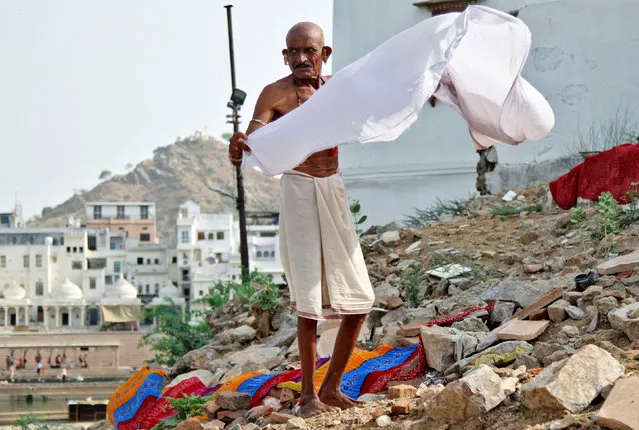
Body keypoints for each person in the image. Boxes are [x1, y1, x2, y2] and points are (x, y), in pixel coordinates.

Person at [229, 22, 375, 418]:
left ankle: (331, 387)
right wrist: (243, 141)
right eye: (292, 52)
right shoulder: (275, 93)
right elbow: (255, 132)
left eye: (308, 50)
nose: (300, 58)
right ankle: (308, 395)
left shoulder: (338, 91)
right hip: (298, 190)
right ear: (285, 55)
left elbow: (368, 111)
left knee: (360, 300)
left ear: (323, 54)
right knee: (308, 304)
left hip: (334, 189)